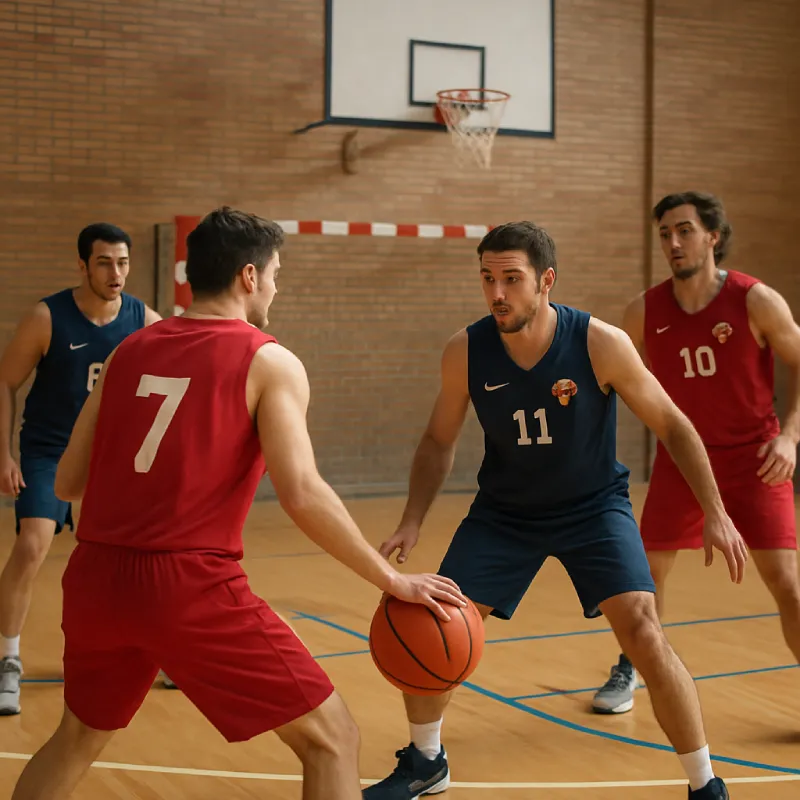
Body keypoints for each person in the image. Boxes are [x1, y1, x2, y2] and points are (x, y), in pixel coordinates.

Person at [9, 207, 466, 800]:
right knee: (332, 740)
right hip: (187, 584)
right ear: (249, 277)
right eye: (275, 272)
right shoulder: (268, 360)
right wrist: (391, 580)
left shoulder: (128, 352)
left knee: (75, 737)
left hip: (96, 579)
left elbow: (68, 482)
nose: (277, 285)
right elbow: (302, 492)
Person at [365, 221, 747, 800]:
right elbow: (438, 441)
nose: (498, 293)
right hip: (504, 514)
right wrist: (412, 518)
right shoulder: (466, 351)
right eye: (488, 279)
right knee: (429, 622)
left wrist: (714, 510)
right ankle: (426, 760)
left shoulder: (600, 342)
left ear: (546, 281)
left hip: (593, 509)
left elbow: (673, 423)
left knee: (644, 628)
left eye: (512, 279)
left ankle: (705, 784)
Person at [593, 191, 800, 717]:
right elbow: (613, 381)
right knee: (642, 576)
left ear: (713, 236)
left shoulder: (756, 300)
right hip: (683, 460)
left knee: (788, 585)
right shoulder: (643, 311)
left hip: (756, 460)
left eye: (684, 230)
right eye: (665, 233)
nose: (673, 242)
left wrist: (791, 436)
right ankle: (632, 663)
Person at [0, 223, 160, 716]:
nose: (117, 273)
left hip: (109, 457)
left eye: (124, 263)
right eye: (105, 263)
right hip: (48, 451)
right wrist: (4, 454)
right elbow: (5, 383)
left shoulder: (144, 320)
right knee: (32, 546)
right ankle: (8, 660)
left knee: (138, 557)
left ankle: (153, 648)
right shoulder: (47, 317)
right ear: (83, 265)